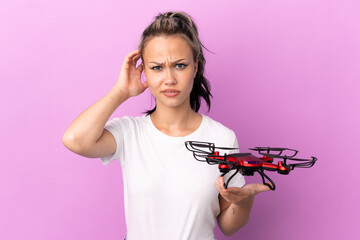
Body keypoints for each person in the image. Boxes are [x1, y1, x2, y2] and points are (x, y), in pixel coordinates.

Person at [62, 11, 271, 240]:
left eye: (180, 65)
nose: (169, 79)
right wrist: (121, 92)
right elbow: (75, 140)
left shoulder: (221, 138)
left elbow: (229, 226)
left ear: (195, 67)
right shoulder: (130, 132)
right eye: (157, 67)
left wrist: (244, 202)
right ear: (145, 72)